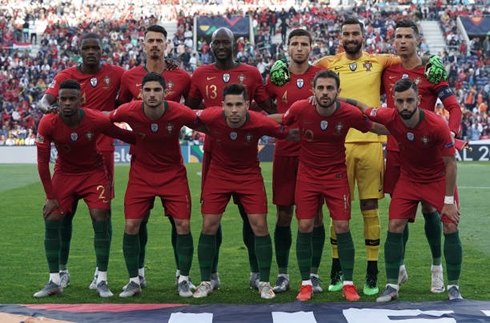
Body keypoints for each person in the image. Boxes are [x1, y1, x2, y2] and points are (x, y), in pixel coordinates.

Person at [270, 19, 447, 295]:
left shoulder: (380, 61)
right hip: (338, 145)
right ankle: (337, 270)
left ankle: (372, 272)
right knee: (336, 215)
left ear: (364, 36)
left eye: (356, 33)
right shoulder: (328, 63)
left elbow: (409, 56)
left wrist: (432, 59)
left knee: (369, 208)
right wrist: (280, 64)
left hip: (371, 141)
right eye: (346, 34)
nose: (351, 37)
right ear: (340, 38)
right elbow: (301, 63)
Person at [341, 78, 463, 302]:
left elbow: (450, 164)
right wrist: (338, 101)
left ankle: (454, 286)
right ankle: (391, 286)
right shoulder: (390, 115)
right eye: (400, 101)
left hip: (437, 178)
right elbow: (363, 108)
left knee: (449, 225)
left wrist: (448, 201)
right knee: (395, 225)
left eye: (409, 100)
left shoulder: (436, 125)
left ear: (418, 99)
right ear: (394, 102)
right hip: (409, 179)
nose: (405, 106)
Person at [271, 70, 388, 301]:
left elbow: (374, 126)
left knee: (342, 226)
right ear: (313, 90)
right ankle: (306, 284)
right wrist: (247, 121)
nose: (325, 92)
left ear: (338, 91)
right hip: (307, 177)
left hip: (336, 177)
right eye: (321, 88)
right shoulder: (300, 108)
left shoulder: (348, 113)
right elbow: (281, 121)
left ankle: (348, 284)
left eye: (330, 88)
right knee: (305, 225)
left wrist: (406, 129)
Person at [185, 27, 274, 291]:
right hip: (214, 152)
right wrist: (213, 124)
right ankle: (210, 274)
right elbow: (190, 110)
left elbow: (267, 107)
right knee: (212, 217)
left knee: (252, 217)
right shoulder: (201, 73)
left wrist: (248, 121)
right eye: (216, 42)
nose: (221, 46)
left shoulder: (251, 73)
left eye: (226, 42)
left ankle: (257, 272)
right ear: (209, 45)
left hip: (246, 151)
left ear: (236, 44)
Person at [38, 32, 125, 290]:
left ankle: (101, 274)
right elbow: (46, 100)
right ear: (79, 50)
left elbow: (139, 86)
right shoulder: (66, 77)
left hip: (102, 152)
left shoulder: (117, 73)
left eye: (95, 48)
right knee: (62, 216)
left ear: (102, 50)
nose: (90, 52)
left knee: (102, 213)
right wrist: (47, 109)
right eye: (85, 47)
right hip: (69, 156)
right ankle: (60, 273)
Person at [382, 19, 463, 293]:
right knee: (398, 214)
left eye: (408, 36)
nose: (403, 41)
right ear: (393, 41)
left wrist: (450, 134)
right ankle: (399, 268)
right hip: (396, 151)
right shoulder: (387, 70)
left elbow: (455, 109)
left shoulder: (432, 71)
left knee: (432, 211)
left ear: (418, 39)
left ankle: (437, 268)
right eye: (398, 37)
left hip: (429, 153)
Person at [192, 83, 293, 300]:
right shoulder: (211, 116)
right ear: (222, 106)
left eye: (239, 104)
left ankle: (264, 282)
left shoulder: (258, 121)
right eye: (230, 105)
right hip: (218, 175)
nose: (234, 109)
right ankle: (205, 281)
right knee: (209, 225)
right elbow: (184, 116)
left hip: (249, 176)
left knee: (259, 225)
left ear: (247, 105)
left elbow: (287, 132)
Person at [110, 72, 199, 298]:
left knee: (183, 226)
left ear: (165, 93)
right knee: (131, 226)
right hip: (141, 175)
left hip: (173, 175)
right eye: (147, 90)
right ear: (140, 93)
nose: (152, 94)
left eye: (156, 90)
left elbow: (206, 124)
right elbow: (105, 120)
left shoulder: (179, 111)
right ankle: (133, 281)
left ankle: (184, 279)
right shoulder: (128, 110)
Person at [118, 24, 192, 290]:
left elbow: (193, 112)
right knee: (136, 222)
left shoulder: (182, 77)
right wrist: (134, 138)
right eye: (150, 40)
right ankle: (136, 276)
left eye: (159, 40)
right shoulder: (129, 77)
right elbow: (119, 113)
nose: (155, 45)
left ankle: (182, 277)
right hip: (141, 162)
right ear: (143, 44)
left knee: (180, 222)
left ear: (167, 44)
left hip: (172, 163)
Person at [265, 29, 324, 294]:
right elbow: (264, 109)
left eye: (304, 43)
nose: (299, 48)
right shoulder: (276, 77)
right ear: (287, 48)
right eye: (294, 44)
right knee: (284, 214)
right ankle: (282, 274)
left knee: (316, 215)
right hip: (285, 152)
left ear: (311, 47)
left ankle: (313, 273)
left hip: (314, 154)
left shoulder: (319, 77)